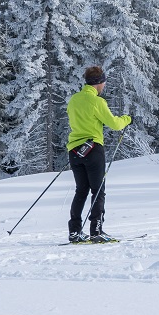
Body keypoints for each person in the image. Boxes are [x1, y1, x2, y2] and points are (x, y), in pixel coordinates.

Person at [66, 65, 131, 243]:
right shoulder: (97, 102)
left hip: (74, 150)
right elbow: (115, 124)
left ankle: (74, 231)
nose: (104, 86)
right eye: (103, 82)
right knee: (98, 190)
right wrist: (127, 119)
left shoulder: (74, 100)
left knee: (81, 191)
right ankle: (96, 231)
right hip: (93, 149)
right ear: (98, 83)